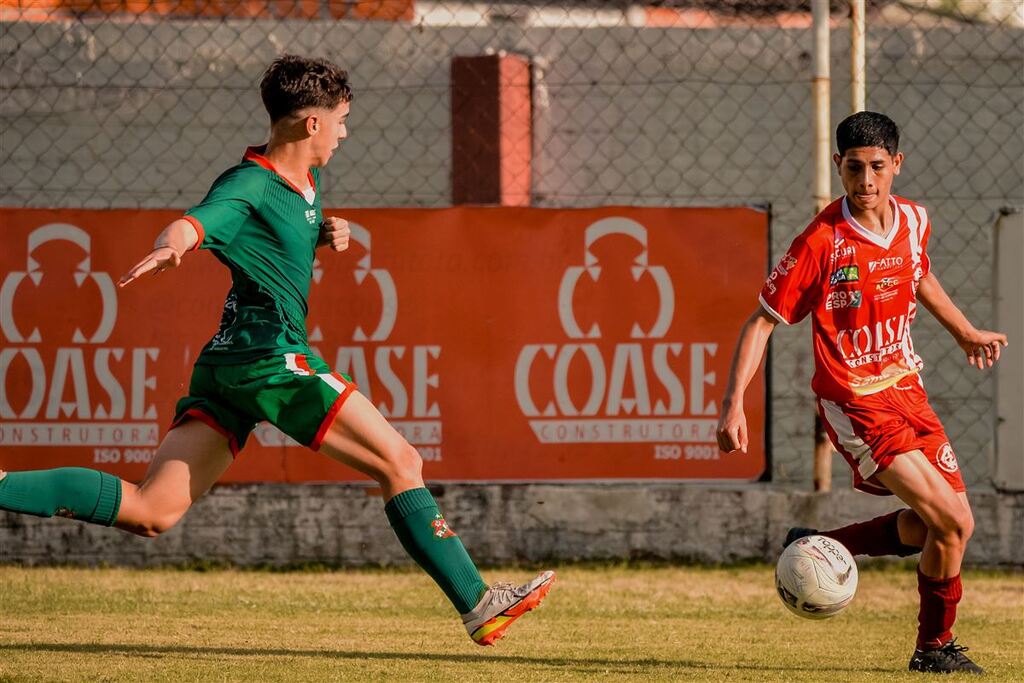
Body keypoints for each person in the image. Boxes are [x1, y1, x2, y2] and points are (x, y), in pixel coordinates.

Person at [0, 54, 553, 646]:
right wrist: (173, 245)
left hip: (226, 367)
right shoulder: (249, 183)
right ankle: (477, 602)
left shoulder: (304, 184)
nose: (346, 130)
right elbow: (200, 221)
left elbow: (274, 236)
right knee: (401, 462)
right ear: (311, 124)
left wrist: (322, 232)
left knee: (151, 510)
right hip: (271, 361)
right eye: (341, 119)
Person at [717, 111, 1006, 674]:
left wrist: (965, 331)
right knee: (953, 525)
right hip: (855, 402)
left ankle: (826, 541)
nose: (866, 180)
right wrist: (733, 403)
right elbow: (761, 321)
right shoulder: (821, 243)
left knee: (934, 526)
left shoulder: (916, 221)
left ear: (896, 164)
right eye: (854, 167)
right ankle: (933, 650)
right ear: (838, 167)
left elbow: (917, 273)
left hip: (908, 390)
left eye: (877, 166)